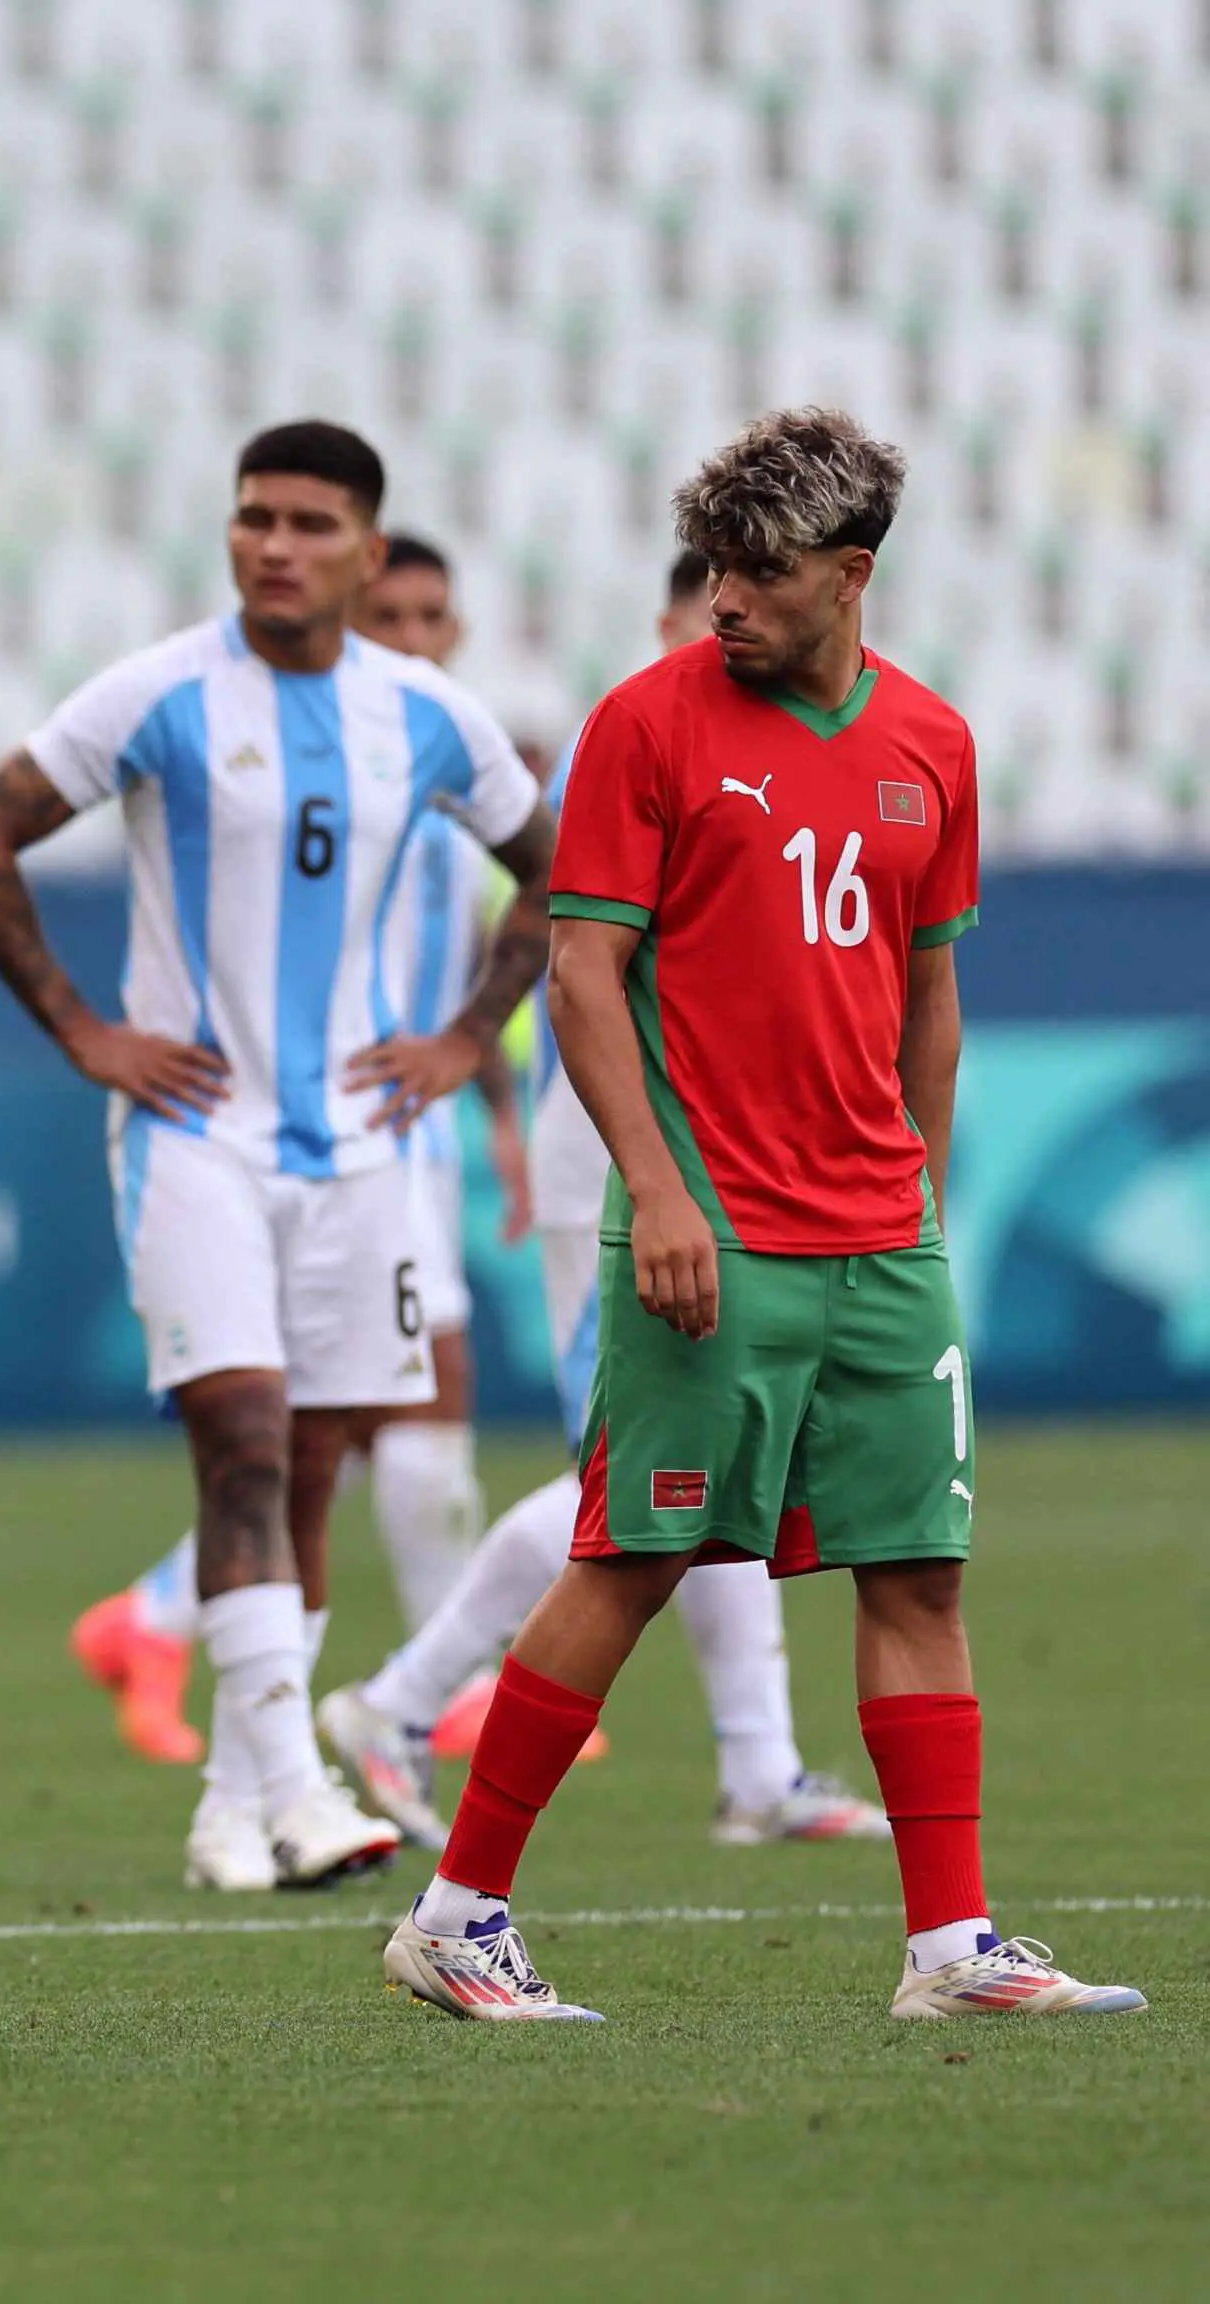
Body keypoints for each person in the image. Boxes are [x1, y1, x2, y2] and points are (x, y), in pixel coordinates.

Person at [382, 407, 1141, 2024]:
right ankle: (458, 1912)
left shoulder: (929, 743)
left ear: (850, 576)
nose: (723, 597)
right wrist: (659, 1191)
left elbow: (928, 987)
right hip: (710, 1231)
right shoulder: (645, 726)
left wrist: (920, 1195)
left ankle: (951, 1946)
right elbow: (583, 971)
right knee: (634, 1553)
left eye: (760, 571)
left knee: (918, 1574)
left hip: (878, 1241)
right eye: (714, 565)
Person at [0, 420, 556, 1895]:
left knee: (314, 1474)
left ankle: (231, 1811)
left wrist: (471, 1037)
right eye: (253, 517)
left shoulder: (429, 718)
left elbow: (562, 867)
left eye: (310, 523)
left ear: (369, 549)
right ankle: (299, 1787)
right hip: (194, 1137)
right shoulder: (161, 693)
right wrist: (86, 1028)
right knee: (249, 1447)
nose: (275, 544)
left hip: (363, 1154)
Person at [320, 551, 887, 1853]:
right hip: (627, 1164)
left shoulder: (785, 754)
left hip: (710, 1158)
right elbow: (575, 957)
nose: (734, 630)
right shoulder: (633, 742)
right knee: (638, 1469)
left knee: (716, 1459)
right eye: (714, 606)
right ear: (673, 619)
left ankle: (757, 1767)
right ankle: (405, 1702)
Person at [62, 533, 526, 1770]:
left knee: (351, 1429)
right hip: (318, 1139)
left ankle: (166, 1620)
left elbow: (462, 978)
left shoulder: (441, 783)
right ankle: (434, 1687)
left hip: (407, 1140)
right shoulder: (352, 793)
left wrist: (493, 1115)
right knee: (379, 1417)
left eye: (435, 615)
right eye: (392, 615)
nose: (415, 636)